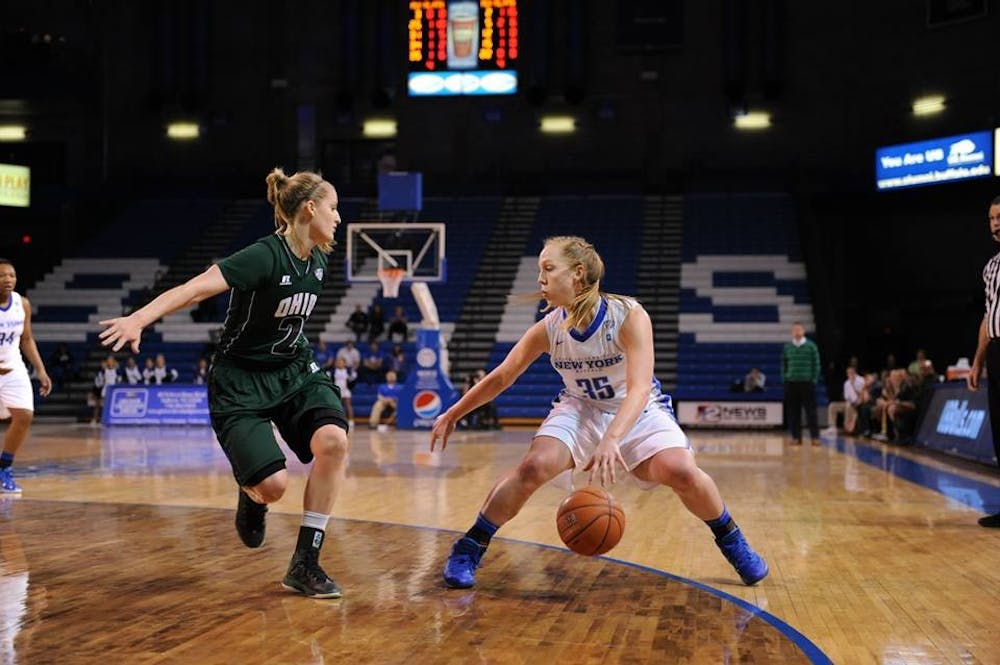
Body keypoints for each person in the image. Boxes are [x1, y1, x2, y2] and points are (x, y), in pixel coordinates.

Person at [429, 236, 767, 589]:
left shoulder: (629, 315)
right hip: (580, 408)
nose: (540, 279)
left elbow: (638, 388)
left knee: (681, 470)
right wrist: (454, 412)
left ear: (577, 273)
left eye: (548, 269)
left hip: (637, 409)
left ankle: (732, 540)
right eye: (539, 270)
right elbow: (502, 376)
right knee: (533, 466)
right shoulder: (548, 329)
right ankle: (469, 546)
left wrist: (613, 438)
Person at [98, 167, 350, 596]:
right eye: (333, 207)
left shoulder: (320, 256)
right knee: (273, 487)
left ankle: (305, 562)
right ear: (310, 208)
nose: (338, 217)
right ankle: (251, 494)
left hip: (293, 370)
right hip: (240, 381)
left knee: (334, 441)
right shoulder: (263, 256)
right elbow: (195, 289)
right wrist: (139, 318)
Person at [0, 260, 52, 493]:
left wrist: (40, 370)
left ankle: (4, 467)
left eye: (12, 275)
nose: (8, 279)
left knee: (24, 416)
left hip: (14, 369)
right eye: (2, 276)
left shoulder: (23, 304)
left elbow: (27, 339)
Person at [967, 195, 1000, 528]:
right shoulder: (991, 267)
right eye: (991, 218)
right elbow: (989, 316)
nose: (995, 222)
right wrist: (977, 361)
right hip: (996, 353)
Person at [781, 322, 821, 446]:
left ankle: (815, 437)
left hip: (807, 383)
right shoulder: (787, 347)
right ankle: (796, 437)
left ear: (803, 331)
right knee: (794, 412)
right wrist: (785, 378)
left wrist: (813, 379)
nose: (797, 332)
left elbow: (817, 364)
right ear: (792, 332)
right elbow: (784, 364)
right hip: (791, 383)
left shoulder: (811, 346)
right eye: (795, 330)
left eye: (799, 329)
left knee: (811, 412)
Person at [331, 357, 356, 428]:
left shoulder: (348, 371)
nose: (339, 363)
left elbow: (351, 381)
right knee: (337, 406)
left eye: (341, 362)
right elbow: (331, 381)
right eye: (338, 362)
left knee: (348, 405)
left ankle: (351, 421)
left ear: (344, 363)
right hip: (337, 390)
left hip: (346, 390)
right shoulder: (334, 371)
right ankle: (338, 421)